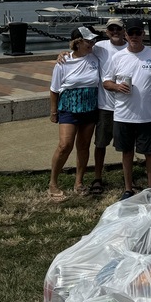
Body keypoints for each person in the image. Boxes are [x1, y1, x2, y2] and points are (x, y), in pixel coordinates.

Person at [103, 17, 151, 199]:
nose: (134, 36)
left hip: (146, 116)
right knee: (127, 152)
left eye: (138, 33)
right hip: (123, 115)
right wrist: (117, 86)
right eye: (131, 33)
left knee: (150, 153)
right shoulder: (117, 57)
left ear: (143, 34)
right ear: (125, 35)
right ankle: (128, 189)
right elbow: (106, 82)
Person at [48, 26, 100, 199]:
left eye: (93, 40)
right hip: (69, 107)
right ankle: (53, 183)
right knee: (65, 145)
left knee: (84, 146)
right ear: (78, 43)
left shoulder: (96, 57)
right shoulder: (63, 62)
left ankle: (79, 181)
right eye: (88, 41)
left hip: (90, 107)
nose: (92, 43)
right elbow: (54, 89)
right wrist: (53, 111)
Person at [89, 17, 128, 194]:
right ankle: (98, 177)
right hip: (105, 106)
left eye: (118, 29)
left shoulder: (131, 47)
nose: (115, 32)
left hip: (126, 106)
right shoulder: (100, 47)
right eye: (112, 29)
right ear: (106, 32)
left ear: (123, 30)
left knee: (127, 145)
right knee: (100, 144)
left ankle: (128, 177)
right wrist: (64, 54)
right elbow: (79, 49)